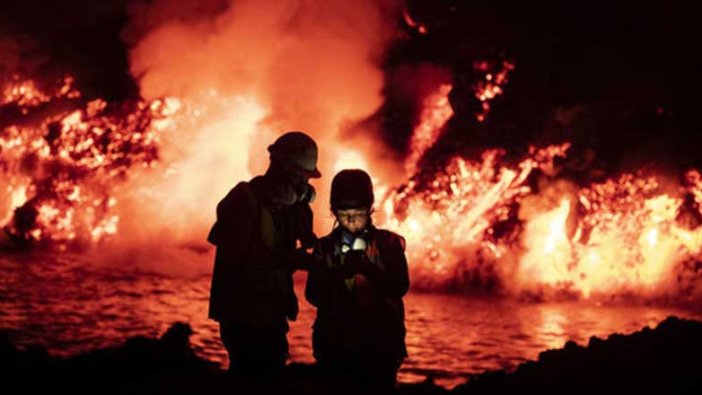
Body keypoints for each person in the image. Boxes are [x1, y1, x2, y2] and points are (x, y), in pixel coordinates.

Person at [207, 131, 320, 380]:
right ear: (280, 168)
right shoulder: (242, 201)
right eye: (299, 177)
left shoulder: (289, 208)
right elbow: (241, 259)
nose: (303, 186)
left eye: (305, 179)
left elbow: (305, 241)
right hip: (242, 315)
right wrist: (291, 259)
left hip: (271, 313)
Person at [306, 169, 409, 393]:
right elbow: (312, 294)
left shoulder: (389, 244)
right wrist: (337, 274)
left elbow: (400, 286)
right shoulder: (323, 248)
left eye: (358, 211)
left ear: (370, 207)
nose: (351, 218)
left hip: (380, 347)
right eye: (344, 211)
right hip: (335, 346)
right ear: (333, 210)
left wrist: (367, 269)